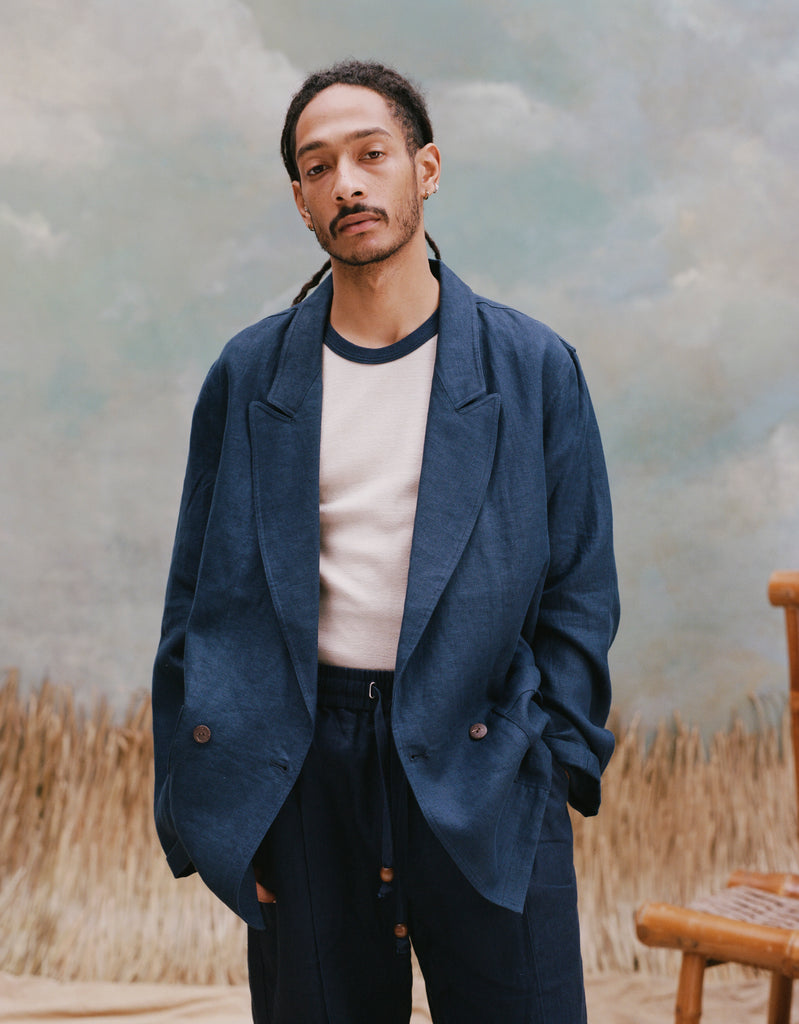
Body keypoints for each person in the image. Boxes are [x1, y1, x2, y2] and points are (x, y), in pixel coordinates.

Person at [152, 59, 619, 1024]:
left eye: (371, 155)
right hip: (302, 769)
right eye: (317, 168)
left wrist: (550, 762)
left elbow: (579, 589)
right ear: (299, 200)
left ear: (426, 168)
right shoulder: (249, 374)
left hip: (484, 751)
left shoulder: (531, 365)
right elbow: (194, 597)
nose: (347, 184)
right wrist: (217, 803)